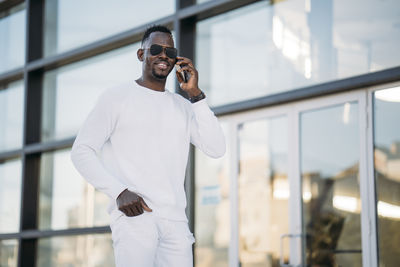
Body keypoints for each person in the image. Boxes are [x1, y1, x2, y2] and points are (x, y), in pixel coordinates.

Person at [70, 25, 226, 267]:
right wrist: (119, 192)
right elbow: (81, 151)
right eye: (156, 49)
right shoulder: (116, 97)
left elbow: (216, 148)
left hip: (175, 221)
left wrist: (195, 95)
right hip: (136, 216)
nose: (164, 55)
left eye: (170, 51)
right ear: (141, 54)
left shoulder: (183, 106)